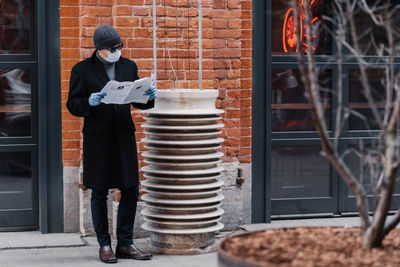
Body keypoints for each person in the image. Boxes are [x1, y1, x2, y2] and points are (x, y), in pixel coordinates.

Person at [66, 25, 156, 264]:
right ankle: (104, 244)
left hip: (123, 134)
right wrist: (89, 102)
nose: (117, 51)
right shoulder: (82, 70)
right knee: (99, 190)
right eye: (112, 48)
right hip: (98, 137)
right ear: (99, 49)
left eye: (119, 46)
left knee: (131, 188)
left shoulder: (128, 66)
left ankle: (125, 243)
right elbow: (72, 104)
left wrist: (148, 97)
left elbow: (139, 102)